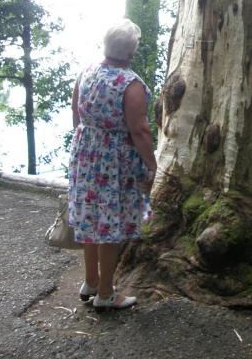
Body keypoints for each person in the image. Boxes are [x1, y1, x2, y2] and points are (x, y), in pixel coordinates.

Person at [68, 18, 157, 312]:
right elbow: (140, 131)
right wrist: (152, 165)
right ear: (131, 52)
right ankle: (106, 294)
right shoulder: (130, 85)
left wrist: (84, 143)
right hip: (114, 162)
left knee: (91, 217)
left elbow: (76, 113)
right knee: (110, 225)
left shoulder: (87, 71)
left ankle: (91, 281)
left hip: (85, 153)